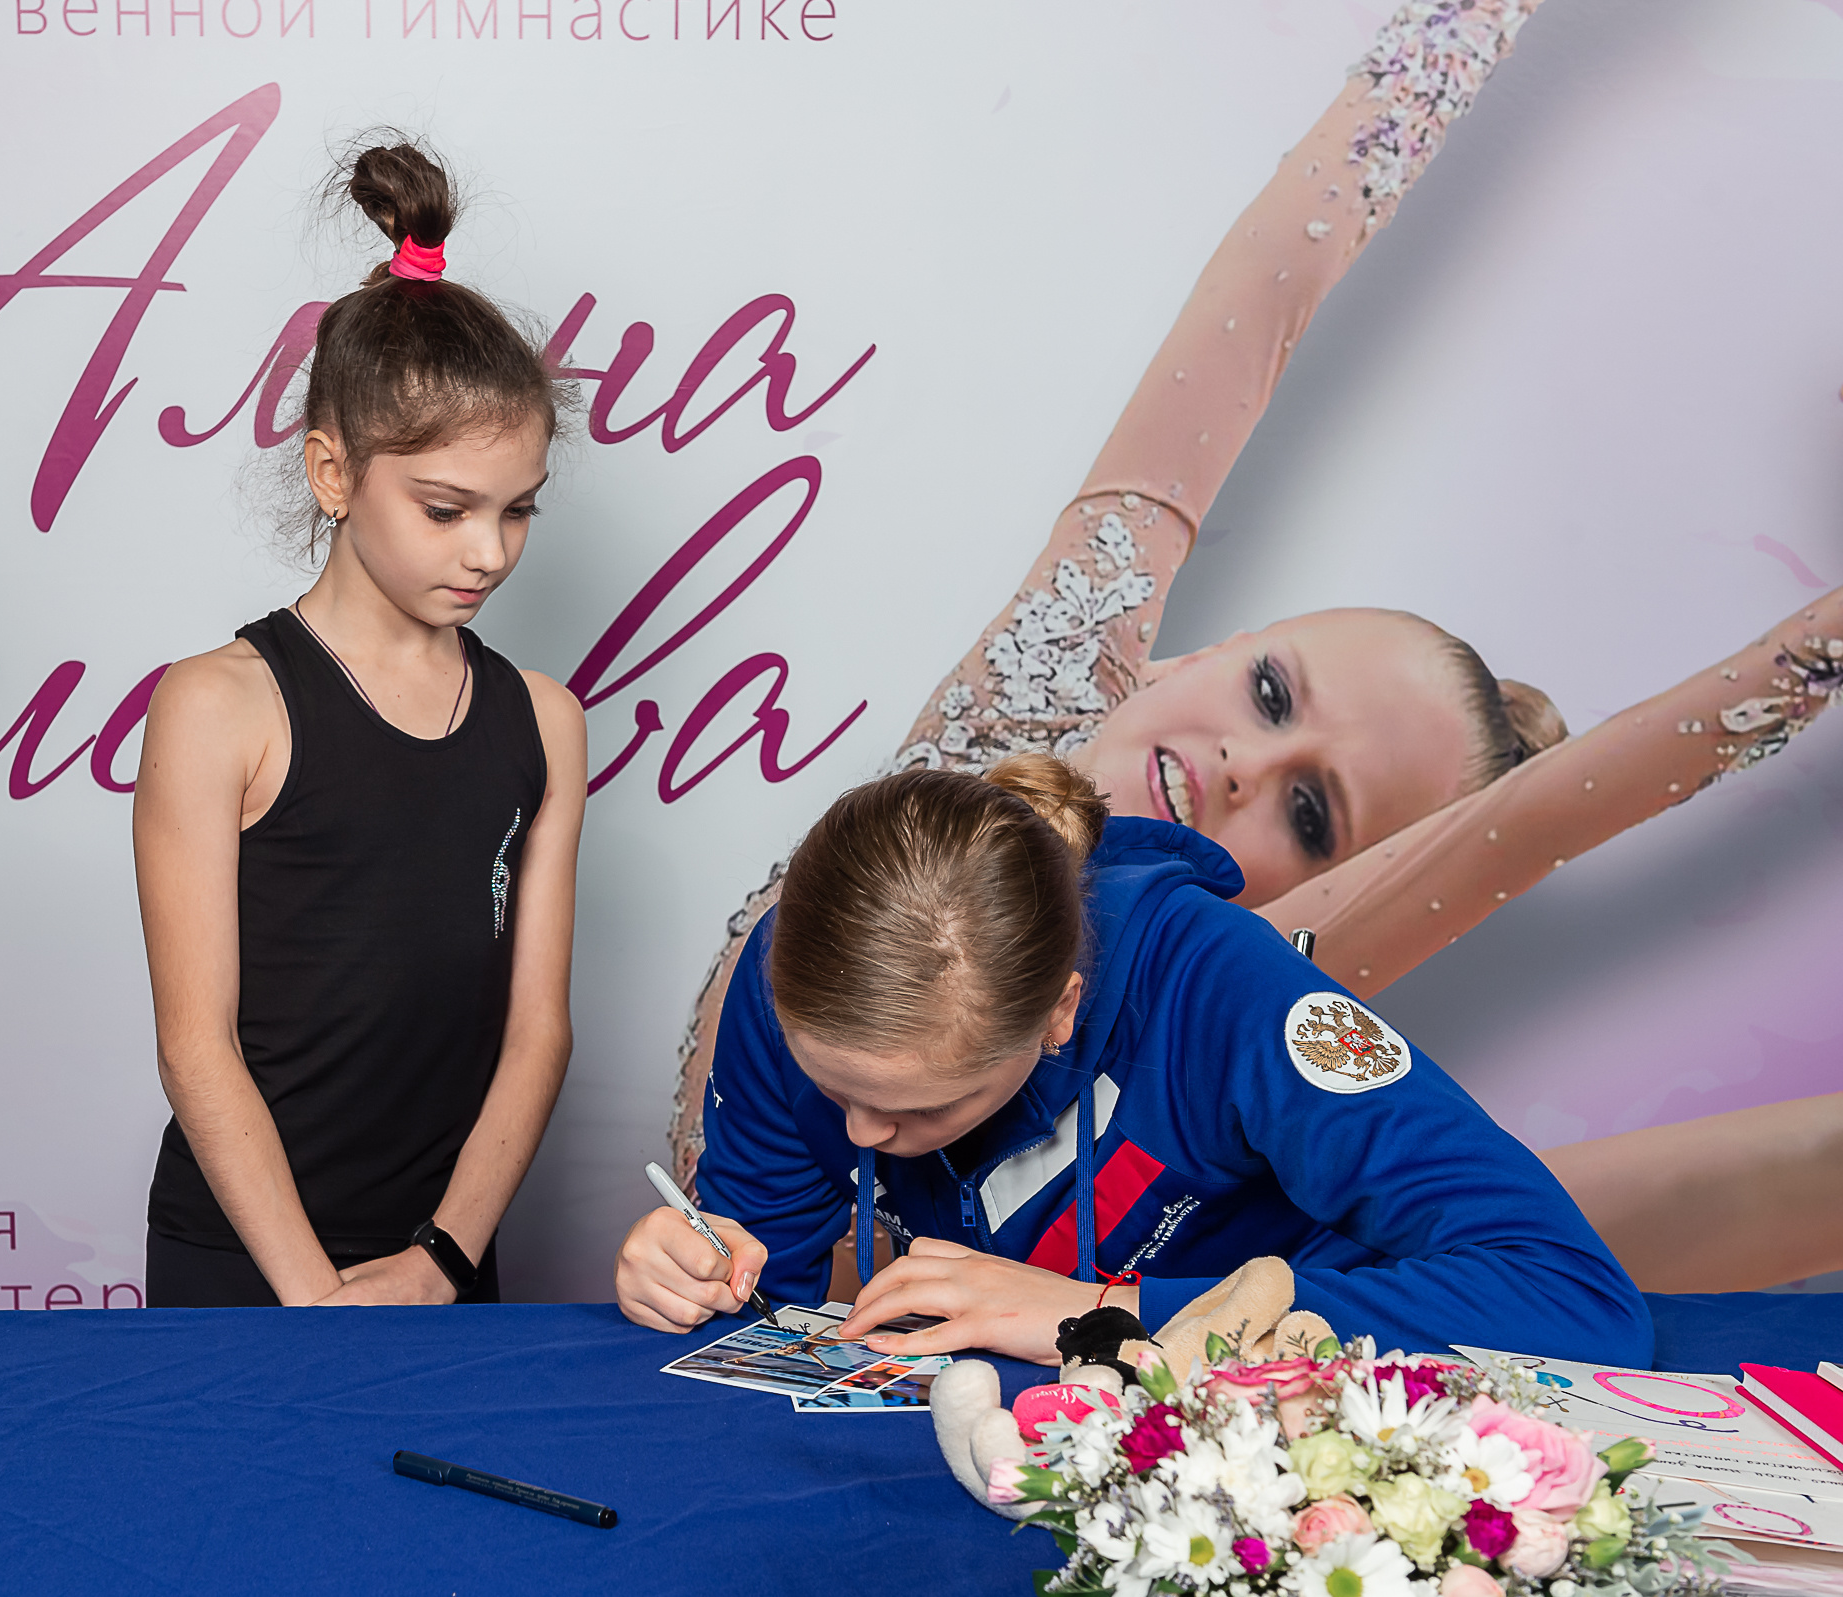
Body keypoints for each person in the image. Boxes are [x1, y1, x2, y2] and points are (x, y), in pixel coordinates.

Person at [665, 0, 1843, 1257]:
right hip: (756, 1276)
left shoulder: (1224, 956)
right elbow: (1267, 286)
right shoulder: (1045, 680)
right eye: (1271, 698)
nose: (1242, 766)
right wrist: (1473, 17)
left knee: (1608, 1217)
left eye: (1310, 813)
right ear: (1194, 655)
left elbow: (1545, 813)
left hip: (1047, 1341)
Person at [615, 754, 1653, 1366]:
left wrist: (1101, 1318)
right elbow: (772, 1299)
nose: (857, 1136)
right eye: (835, 1088)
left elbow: (1571, 1299)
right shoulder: (789, 968)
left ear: (1059, 1012)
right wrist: (700, 1270)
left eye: (915, 1106)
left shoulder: (1229, 987)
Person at [134, 139, 587, 1308]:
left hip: (440, 1258)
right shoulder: (218, 705)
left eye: (518, 510)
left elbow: (538, 1033)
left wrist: (440, 1263)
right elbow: (199, 1045)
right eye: (446, 509)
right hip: (247, 1262)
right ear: (333, 472)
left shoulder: (543, 720)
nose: (489, 551)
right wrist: (313, 1298)